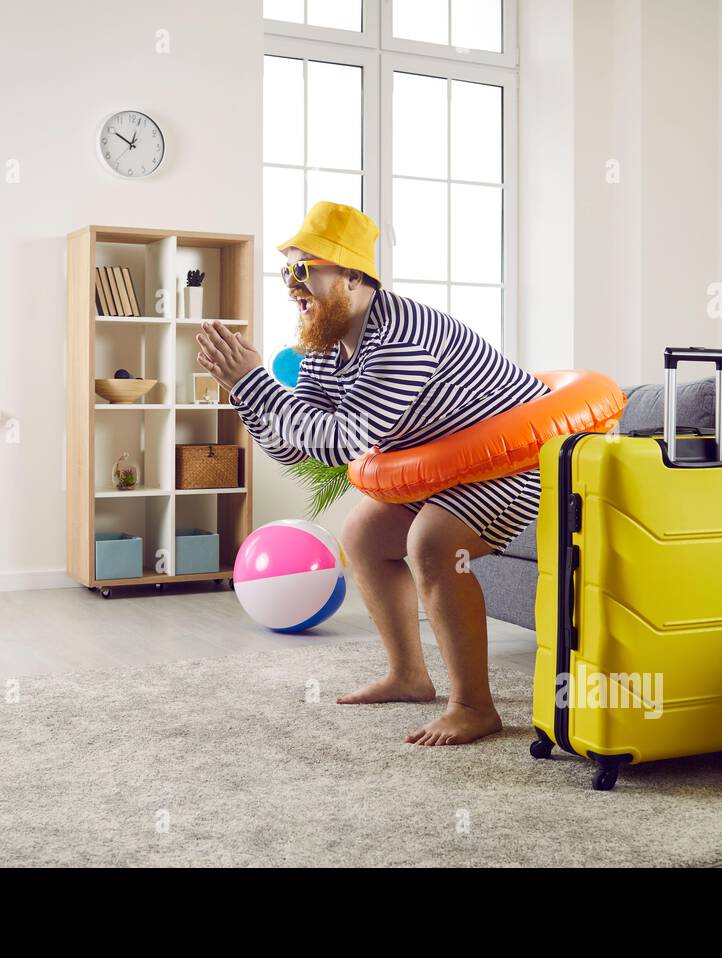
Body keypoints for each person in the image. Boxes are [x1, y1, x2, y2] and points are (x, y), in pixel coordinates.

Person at [196, 201, 549, 746]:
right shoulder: (323, 341)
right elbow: (303, 450)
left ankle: (475, 707)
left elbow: (350, 437)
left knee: (432, 543)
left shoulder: (403, 333)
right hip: (442, 464)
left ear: (354, 276)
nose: (291, 285)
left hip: (514, 461)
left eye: (302, 269)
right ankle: (409, 676)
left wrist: (253, 384)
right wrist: (245, 397)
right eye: (286, 270)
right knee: (362, 535)